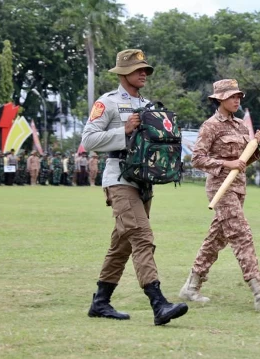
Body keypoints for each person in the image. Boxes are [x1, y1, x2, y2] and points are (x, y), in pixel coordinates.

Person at [82, 49, 188, 326]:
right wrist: (124, 131)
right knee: (142, 237)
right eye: (138, 69)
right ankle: (158, 304)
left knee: (121, 246)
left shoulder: (150, 104)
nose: (144, 73)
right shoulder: (108, 102)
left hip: (144, 182)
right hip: (119, 180)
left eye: (146, 70)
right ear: (122, 73)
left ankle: (100, 302)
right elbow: (89, 140)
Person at [179, 79, 260, 311]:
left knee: (216, 239)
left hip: (238, 188)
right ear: (220, 100)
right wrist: (226, 163)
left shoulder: (240, 125)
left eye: (238, 96)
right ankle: (259, 292)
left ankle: (191, 286)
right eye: (232, 96)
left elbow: (246, 159)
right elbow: (197, 158)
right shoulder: (211, 126)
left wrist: (255, 145)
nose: (237, 99)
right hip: (220, 188)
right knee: (241, 234)